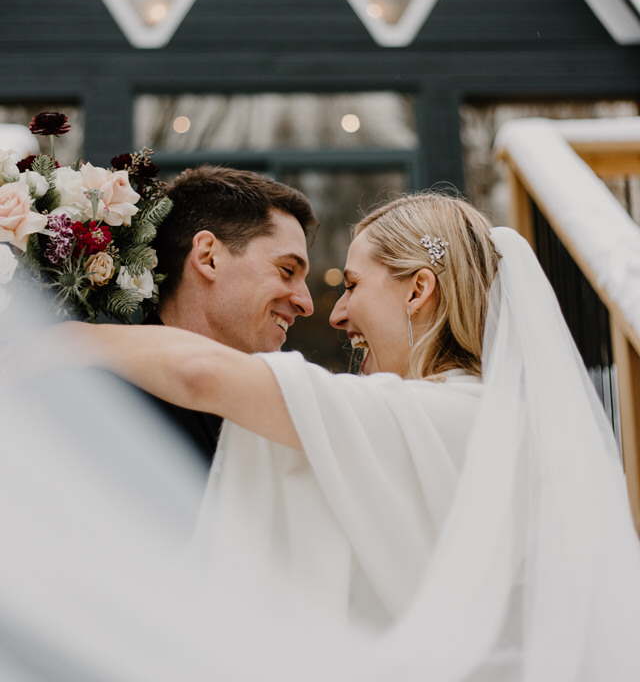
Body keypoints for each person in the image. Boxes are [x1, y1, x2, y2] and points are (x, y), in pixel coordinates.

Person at [61, 191, 640, 681]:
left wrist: (48, 339)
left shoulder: (441, 413)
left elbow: (201, 373)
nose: (334, 315)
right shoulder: (507, 419)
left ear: (417, 291)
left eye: (353, 284)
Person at [133, 164, 316, 464]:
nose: (306, 303)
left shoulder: (267, 415)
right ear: (208, 257)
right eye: (287, 271)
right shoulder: (116, 404)